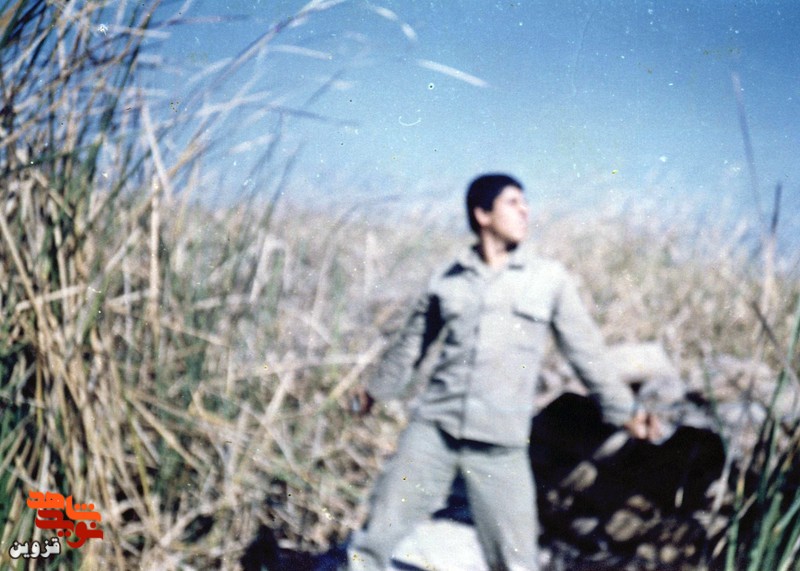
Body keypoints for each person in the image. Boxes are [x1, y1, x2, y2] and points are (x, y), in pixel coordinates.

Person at [347, 174, 658, 571]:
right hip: (434, 431)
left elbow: (587, 353)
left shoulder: (548, 279)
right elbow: (410, 345)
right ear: (482, 214)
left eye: (526, 203)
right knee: (374, 539)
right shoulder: (448, 280)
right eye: (513, 203)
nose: (525, 211)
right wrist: (374, 392)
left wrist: (625, 411)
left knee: (516, 562)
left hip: (500, 445)